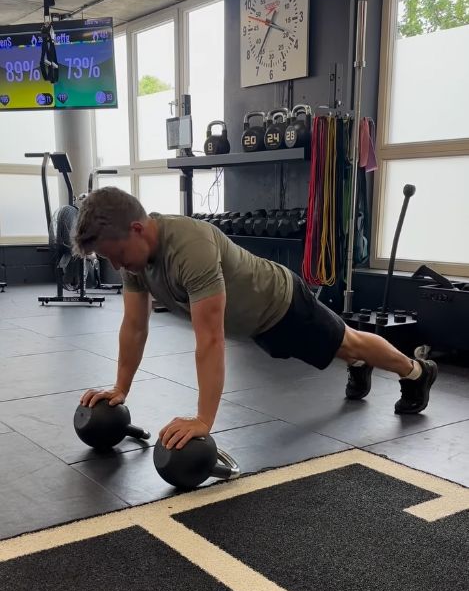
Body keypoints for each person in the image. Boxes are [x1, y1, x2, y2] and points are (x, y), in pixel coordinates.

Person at [74, 187, 437, 450]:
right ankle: (358, 364)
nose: (118, 265)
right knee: (339, 348)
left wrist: (203, 420)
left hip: (281, 304)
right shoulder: (135, 260)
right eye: (109, 259)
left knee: (348, 341)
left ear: (137, 229)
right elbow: (135, 326)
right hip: (254, 325)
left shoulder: (190, 248)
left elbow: (210, 339)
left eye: (118, 254)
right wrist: (120, 388)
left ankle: (417, 372)